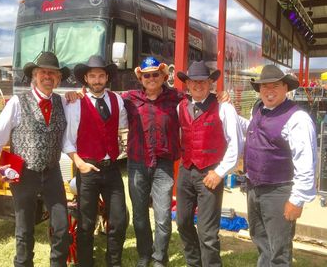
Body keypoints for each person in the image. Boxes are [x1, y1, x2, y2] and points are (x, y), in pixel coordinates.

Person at [0, 51, 70, 267]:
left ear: (58, 79)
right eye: (43, 72)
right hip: (24, 173)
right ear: (34, 76)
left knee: (60, 226)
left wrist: (76, 96)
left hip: (52, 171)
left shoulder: (63, 103)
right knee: (24, 228)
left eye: (53, 73)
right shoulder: (17, 102)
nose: (48, 76)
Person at [243, 64, 317, 266]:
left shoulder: (297, 118)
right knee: (261, 241)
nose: (269, 90)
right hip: (254, 188)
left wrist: (297, 199)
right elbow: (255, 133)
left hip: (279, 191)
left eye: (275, 85)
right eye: (264, 86)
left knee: (279, 251)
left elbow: (306, 162)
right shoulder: (257, 109)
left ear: (286, 88)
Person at [175, 60, 244, 267]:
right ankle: (194, 263)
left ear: (210, 83)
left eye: (203, 81)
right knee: (183, 223)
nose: (198, 85)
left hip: (210, 172)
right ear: (187, 84)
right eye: (193, 82)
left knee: (207, 231)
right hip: (187, 172)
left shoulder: (224, 107)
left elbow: (236, 144)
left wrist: (220, 172)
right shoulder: (180, 107)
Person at [63, 55, 128, 267]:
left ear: (107, 77)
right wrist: (80, 164)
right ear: (86, 79)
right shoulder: (75, 103)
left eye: (101, 75)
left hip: (111, 169)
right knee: (86, 223)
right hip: (87, 168)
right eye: (93, 76)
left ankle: (114, 262)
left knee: (118, 220)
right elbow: (68, 140)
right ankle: (85, 263)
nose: (97, 80)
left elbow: (123, 126)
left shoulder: (117, 100)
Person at [122, 56, 183, 267]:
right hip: (137, 164)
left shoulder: (176, 97)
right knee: (139, 215)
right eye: (146, 75)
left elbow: (199, 97)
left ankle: (159, 258)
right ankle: (144, 254)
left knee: (163, 216)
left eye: (155, 74)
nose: (151, 78)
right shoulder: (129, 99)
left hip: (164, 165)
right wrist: (79, 95)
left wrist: (220, 97)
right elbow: (103, 99)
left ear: (164, 76)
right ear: (141, 78)